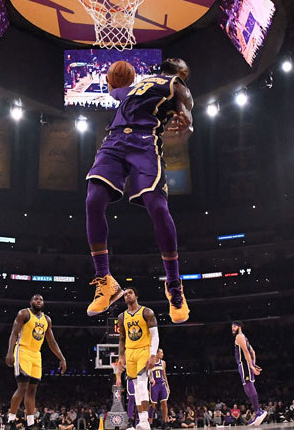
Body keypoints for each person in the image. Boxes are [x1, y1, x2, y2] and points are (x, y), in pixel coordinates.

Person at [85, 59, 195, 323]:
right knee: (93, 200)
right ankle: (106, 281)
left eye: (180, 62)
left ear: (182, 72)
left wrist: (187, 121)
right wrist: (111, 79)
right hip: (114, 140)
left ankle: (174, 285)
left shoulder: (175, 84)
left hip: (144, 142)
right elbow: (115, 91)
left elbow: (186, 105)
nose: (177, 60)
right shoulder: (138, 85)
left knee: (157, 206)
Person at [5, 294, 67, 430]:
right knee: (22, 387)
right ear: (31, 302)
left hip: (36, 354)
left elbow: (51, 341)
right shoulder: (23, 314)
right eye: (36, 299)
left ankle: (30, 423)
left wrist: (62, 358)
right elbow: (14, 333)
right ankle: (10, 421)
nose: (38, 301)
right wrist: (10, 352)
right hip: (22, 350)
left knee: (32, 390)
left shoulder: (47, 320)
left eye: (41, 300)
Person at [117, 289, 159, 430]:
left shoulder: (147, 312)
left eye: (130, 293)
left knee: (141, 384)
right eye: (125, 294)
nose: (127, 295)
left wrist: (153, 355)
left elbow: (155, 335)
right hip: (130, 352)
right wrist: (121, 356)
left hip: (144, 350)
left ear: (136, 295)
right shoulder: (122, 317)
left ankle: (145, 421)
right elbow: (122, 338)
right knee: (135, 388)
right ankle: (141, 421)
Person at [231, 322, 268, 425]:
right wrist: (253, 364)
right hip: (245, 364)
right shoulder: (244, 337)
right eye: (232, 327)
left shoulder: (239, 337)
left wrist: (251, 366)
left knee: (249, 386)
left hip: (244, 364)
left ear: (240, 327)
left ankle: (258, 411)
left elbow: (247, 352)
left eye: (234, 326)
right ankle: (257, 411)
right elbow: (253, 352)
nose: (232, 328)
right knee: (247, 388)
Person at [148, 349, 170, 429]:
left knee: (164, 403)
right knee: (153, 405)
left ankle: (164, 422)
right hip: (154, 385)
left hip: (162, 384)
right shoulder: (151, 362)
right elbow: (149, 375)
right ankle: (150, 423)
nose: (162, 354)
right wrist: (148, 388)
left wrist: (167, 386)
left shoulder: (163, 363)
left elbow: (164, 375)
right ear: (157, 353)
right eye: (161, 353)